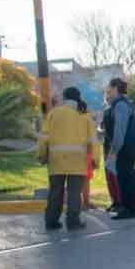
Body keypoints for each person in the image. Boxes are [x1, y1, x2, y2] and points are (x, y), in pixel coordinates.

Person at [39, 87, 97, 231]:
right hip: (78, 161)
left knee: (55, 191)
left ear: (64, 98)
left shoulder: (54, 113)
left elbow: (43, 137)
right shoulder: (84, 115)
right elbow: (93, 140)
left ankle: (51, 221)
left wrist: (41, 155)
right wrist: (95, 159)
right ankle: (73, 222)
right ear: (78, 98)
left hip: (56, 160)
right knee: (74, 192)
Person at [104, 78, 135, 220]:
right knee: (127, 175)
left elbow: (119, 131)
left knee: (125, 176)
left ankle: (129, 208)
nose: (107, 91)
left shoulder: (120, 106)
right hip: (129, 144)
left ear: (115, 88)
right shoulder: (121, 104)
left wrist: (113, 152)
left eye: (109, 88)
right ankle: (131, 206)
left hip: (125, 146)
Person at [100, 93, 120, 212]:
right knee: (109, 175)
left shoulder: (118, 110)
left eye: (109, 96)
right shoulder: (107, 111)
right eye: (106, 96)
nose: (107, 98)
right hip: (107, 146)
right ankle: (115, 201)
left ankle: (119, 201)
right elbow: (104, 128)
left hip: (114, 147)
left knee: (115, 175)